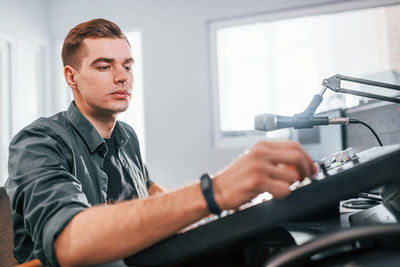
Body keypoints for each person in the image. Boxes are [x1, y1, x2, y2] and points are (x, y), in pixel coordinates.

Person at [5, 18, 317, 267]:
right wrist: (216, 190)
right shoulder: (37, 142)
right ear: (71, 77)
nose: (122, 77)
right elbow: (69, 242)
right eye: (104, 66)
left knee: (265, 242)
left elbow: (149, 192)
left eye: (127, 66)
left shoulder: (126, 137)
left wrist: (224, 213)